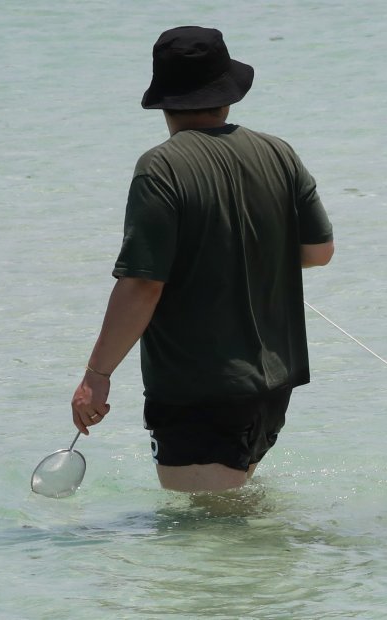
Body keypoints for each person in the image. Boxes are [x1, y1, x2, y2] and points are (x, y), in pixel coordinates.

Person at [70, 26, 335, 493]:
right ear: (228, 94)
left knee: (206, 536)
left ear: (165, 99)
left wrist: (97, 376)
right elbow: (319, 252)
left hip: (199, 386)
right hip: (275, 382)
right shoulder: (278, 152)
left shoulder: (161, 167)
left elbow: (142, 284)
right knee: (234, 525)